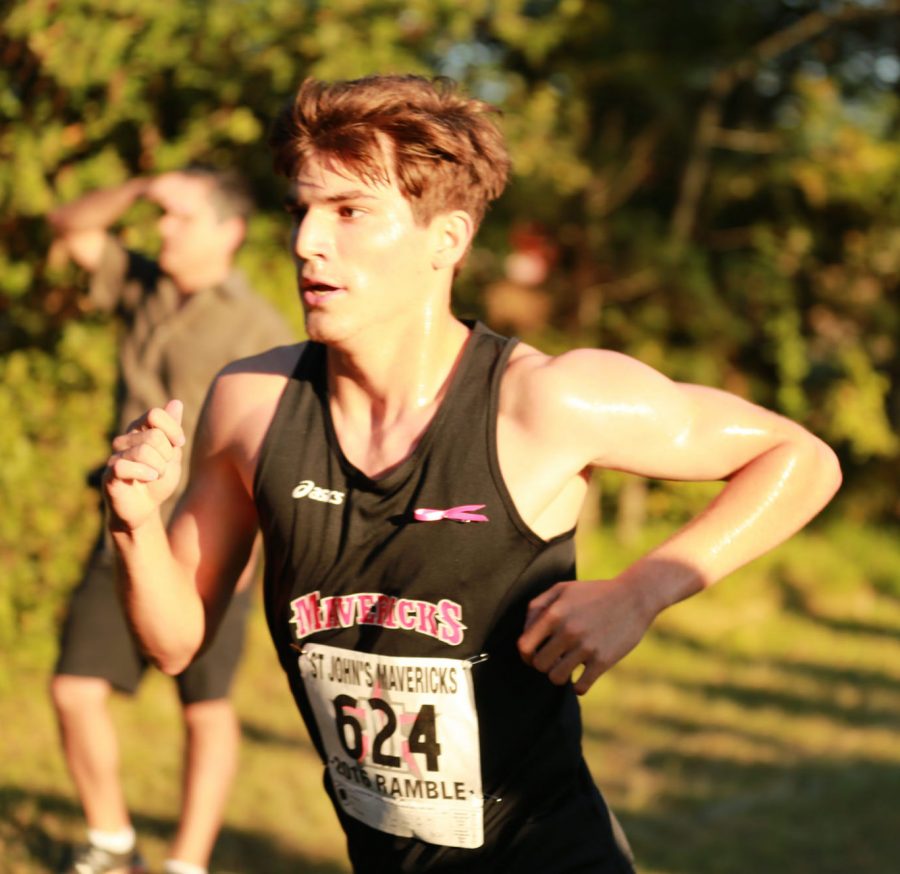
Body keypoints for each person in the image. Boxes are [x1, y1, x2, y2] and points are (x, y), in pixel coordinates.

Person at [100, 75, 841, 874]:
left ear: (446, 238)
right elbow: (174, 643)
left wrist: (642, 590)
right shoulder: (253, 403)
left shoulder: (545, 400)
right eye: (300, 210)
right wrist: (135, 524)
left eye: (350, 212)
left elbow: (801, 459)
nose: (308, 241)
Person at [48, 167, 294, 874]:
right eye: (164, 219)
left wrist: (251, 553)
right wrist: (143, 187)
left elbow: (271, 448)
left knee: (204, 707)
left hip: (212, 545)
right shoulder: (143, 286)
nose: (163, 230)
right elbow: (72, 225)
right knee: (73, 689)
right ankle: (112, 840)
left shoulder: (259, 330)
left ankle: (186, 863)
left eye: (181, 220)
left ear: (229, 233)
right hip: (127, 530)